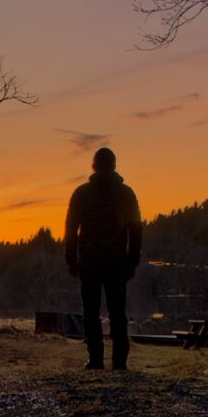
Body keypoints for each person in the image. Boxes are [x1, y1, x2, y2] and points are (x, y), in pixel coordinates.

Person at [63, 146, 143, 370]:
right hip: (117, 262)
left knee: (91, 312)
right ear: (114, 165)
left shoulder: (82, 193)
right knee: (118, 313)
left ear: (94, 166)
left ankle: (96, 359)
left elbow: (70, 229)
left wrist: (71, 260)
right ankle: (119, 361)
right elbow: (136, 231)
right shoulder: (127, 193)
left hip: (89, 262)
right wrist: (132, 261)